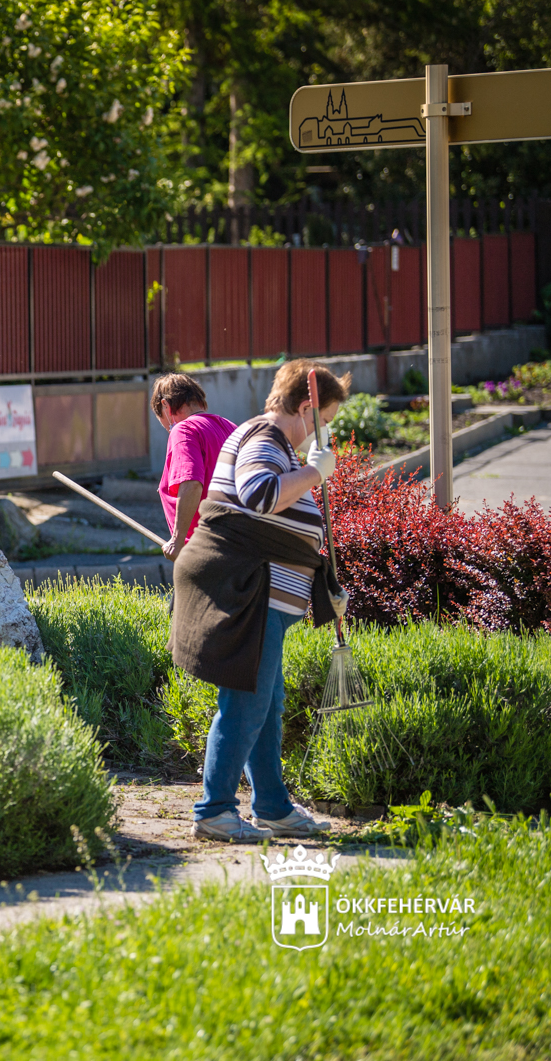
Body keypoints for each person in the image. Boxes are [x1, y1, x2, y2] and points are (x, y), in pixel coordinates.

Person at [170, 361, 350, 843]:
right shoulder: (266, 438)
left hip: (263, 589)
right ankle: (214, 812)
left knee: (266, 703)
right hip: (249, 588)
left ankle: (273, 807)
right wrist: (315, 471)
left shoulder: (274, 442)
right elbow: (259, 495)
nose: (324, 431)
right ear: (306, 407)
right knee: (247, 703)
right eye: (325, 419)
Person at [151, 374, 237, 560]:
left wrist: (177, 540)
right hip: (239, 544)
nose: (167, 429)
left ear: (166, 406)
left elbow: (191, 483)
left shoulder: (184, 430)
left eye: (162, 421)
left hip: (207, 549)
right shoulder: (230, 427)